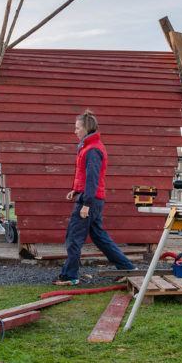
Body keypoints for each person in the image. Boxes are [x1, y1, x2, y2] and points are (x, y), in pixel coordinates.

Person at [55, 110, 135, 285]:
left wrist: (86, 204)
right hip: (91, 197)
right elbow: (86, 177)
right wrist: (76, 190)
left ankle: (70, 276)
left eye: (77, 128)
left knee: (74, 236)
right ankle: (127, 269)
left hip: (90, 199)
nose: (74, 131)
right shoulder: (89, 147)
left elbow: (93, 178)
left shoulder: (92, 150)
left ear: (86, 129)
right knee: (99, 237)